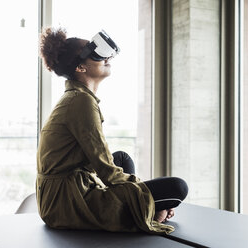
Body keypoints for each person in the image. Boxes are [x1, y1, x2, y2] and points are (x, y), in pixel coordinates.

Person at [36, 27, 188, 234]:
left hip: (61, 194)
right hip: (67, 203)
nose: (106, 57)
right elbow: (105, 168)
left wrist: (143, 193)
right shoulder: (80, 101)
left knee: (123, 159)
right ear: (80, 68)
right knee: (178, 188)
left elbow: (104, 162)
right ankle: (145, 212)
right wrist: (145, 197)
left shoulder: (77, 96)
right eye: (95, 53)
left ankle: (139, 208)